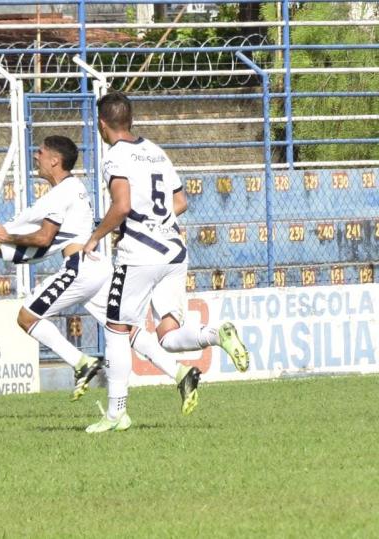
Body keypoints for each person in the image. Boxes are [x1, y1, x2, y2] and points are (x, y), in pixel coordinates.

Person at [82, 92, 250, 433]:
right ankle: (216, 334)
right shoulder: (156, 151)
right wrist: (155, 225)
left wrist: (96, 236)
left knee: (116, 328)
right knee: (167, 335)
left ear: (102, 124)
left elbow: (122, 205)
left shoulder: (115, 156)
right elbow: (180, 201)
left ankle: (116, 414)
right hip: (173, 250)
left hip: (140, 255)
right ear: (130, 120)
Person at [0, 135, 108, 401]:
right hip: (94, 266)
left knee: (27, 317)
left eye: (40, 152)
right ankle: (181, 367)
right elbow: (50, 239)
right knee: (123, 327)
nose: (36, 156)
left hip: (78, 267)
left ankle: (81, 362)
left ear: (55, 160)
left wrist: (9, 239)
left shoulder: (61, 194)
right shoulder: (74, 188)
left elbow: (44, 238)